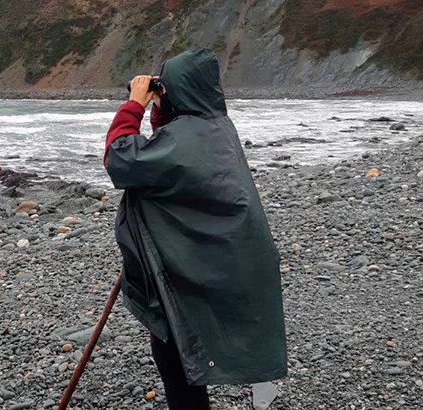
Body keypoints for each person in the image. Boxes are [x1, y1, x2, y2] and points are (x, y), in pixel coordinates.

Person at [104, 48, 287, 409]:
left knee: (175, 355)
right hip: (223, 261)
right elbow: (168, 156)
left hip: (190, 272)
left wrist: (134, 106)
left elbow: (120, 159)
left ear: (177, 92)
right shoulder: (215, 125)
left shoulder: (184, 139)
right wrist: (161, 107)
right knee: (191, 348)